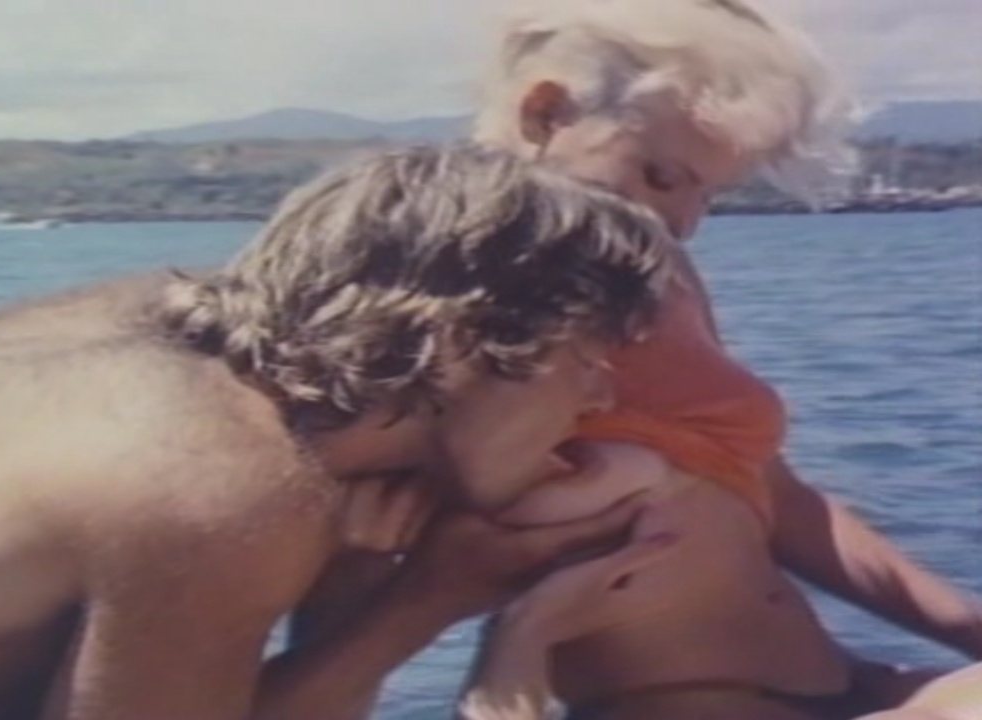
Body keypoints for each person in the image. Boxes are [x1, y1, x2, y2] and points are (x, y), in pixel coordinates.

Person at [0, 146, 676, 720]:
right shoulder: (209, 480)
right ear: (462, 339)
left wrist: (351, 571)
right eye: (587, 353)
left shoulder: (146, 335)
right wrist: (426, 601)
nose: (599, 397)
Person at [257, 2, 979, 719]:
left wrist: (968, 629)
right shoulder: (441, 292)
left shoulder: (656, 272)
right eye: (661, 175)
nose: (685, 221)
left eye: (709, 191)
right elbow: (348, 563)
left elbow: (777, 497)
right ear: (546, 112)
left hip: (842, 680)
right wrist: (486, 647)